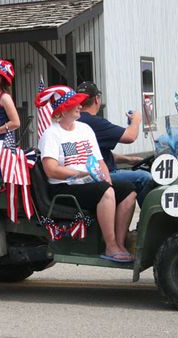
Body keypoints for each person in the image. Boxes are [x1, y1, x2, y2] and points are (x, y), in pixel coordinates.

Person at [37, 85, 137, 263]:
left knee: (129, 189)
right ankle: (110, 245)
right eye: (75, 103)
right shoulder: (51, 134)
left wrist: (106, 178)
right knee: (105, 191)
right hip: (64, 188)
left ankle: (120, 243)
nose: (80, 106)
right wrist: (78, 173)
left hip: (88, 183)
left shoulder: (85, 129)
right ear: (63, 109)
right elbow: (50, 169)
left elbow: (99, 161)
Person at [77, 82, 153, 207]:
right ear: (97, 99)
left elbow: (99, 153)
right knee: (145, 177)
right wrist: (136, 120)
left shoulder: (75, 121)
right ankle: (147, 223)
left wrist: (129, 160)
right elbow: (130, 136)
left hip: (86, 174)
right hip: (100, 175)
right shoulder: (93, 122)